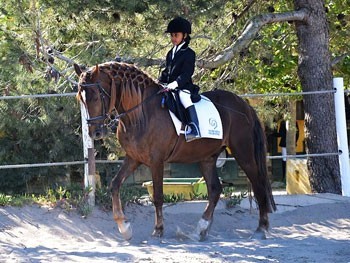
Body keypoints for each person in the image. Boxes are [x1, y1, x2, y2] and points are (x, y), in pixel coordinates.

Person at [159, 16, 201, 142]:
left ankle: (194, 127)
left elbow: (187, 73)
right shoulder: (170, 53)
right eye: (172, 35)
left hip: (183, 86)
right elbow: (167, 71)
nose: (173, 38)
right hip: (169, 86)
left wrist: (175, 83)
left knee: (184, 97)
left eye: (176, 35)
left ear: (184, 35)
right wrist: (160, 81)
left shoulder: (189, 53)